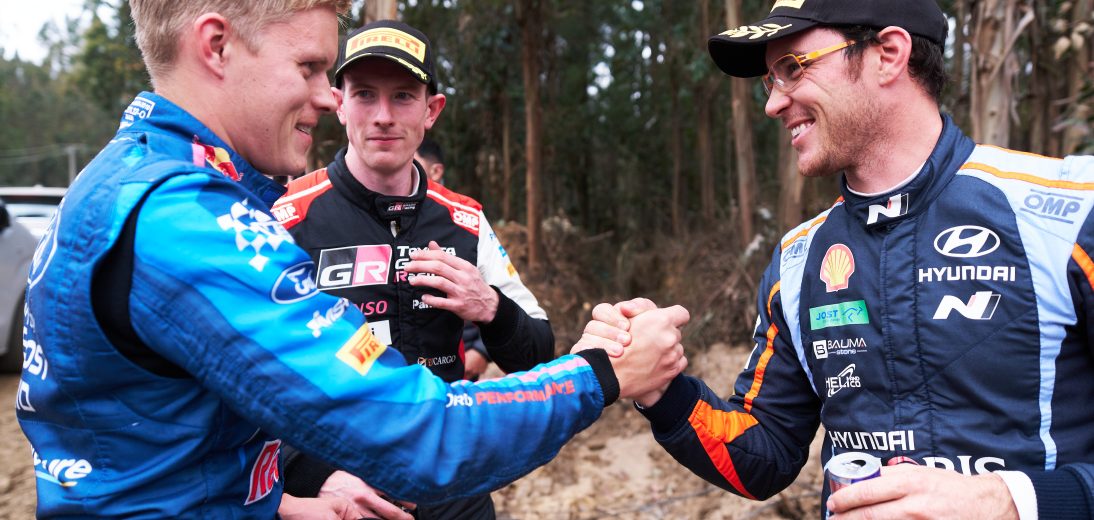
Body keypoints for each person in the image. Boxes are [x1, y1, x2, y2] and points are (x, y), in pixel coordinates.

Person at [14, 1, 691, 517]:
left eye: (402, 96)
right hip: (406, 451)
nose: (329, 98)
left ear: (432, 110)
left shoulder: (128, 184)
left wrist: (279, 502)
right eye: (313, 70)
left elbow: (176, 437)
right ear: (216, 46)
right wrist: (604, 372)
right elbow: (420, 432)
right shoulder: (204, 223)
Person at [586, 0, 1094, 518]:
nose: (773, 104)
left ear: (887, 55)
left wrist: (1011, 501)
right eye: (770, 80)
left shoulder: (1070, 214)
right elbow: (765, 455)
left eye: (793, 68)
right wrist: (662, 389)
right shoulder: (798, 259)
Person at [270, 21, 554, 519]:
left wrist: (490, 307)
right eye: (365, 94)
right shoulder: (285, 218)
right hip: (341, 498)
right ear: (339, 103)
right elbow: (245, 379)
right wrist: (312, 476)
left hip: (454, 490)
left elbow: (537, 355)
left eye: (402, 96)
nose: (383, 116)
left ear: (431, 110)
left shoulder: (465, 220)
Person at [413, 137, 495, 382]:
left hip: (460, 366)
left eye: (413, 161)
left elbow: (498, 294)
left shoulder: (464, 217)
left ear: (436, 171)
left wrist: (481, 351)